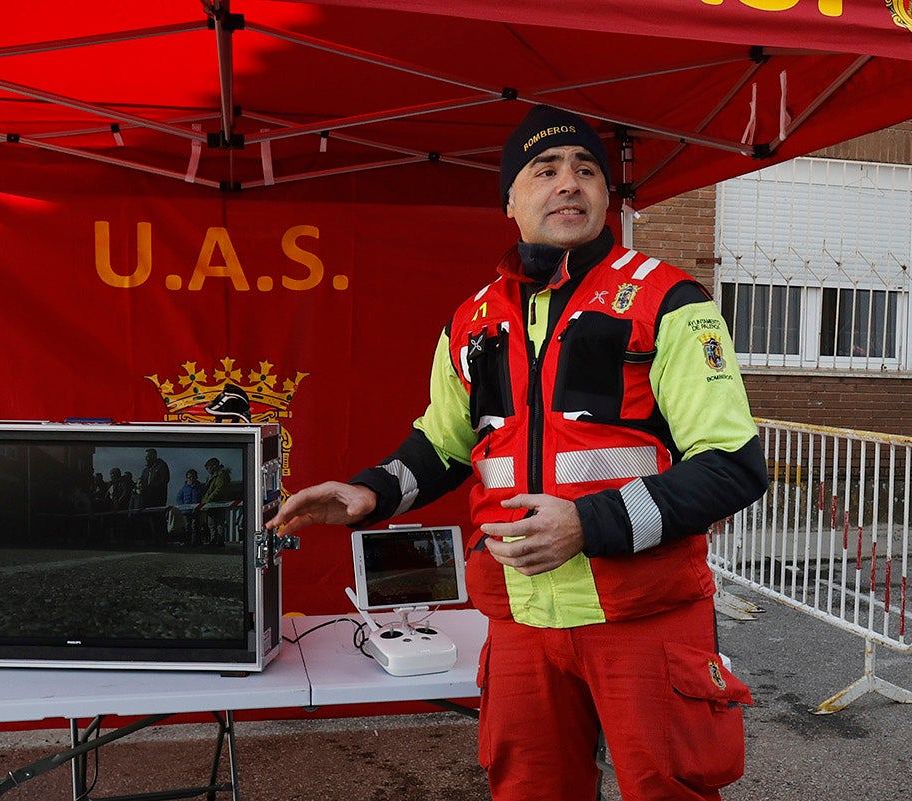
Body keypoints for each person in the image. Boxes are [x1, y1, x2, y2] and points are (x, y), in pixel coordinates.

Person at [265, 105, 769, 801]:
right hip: (521, 618)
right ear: (510, 200)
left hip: (643, 617)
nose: (570, 182)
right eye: (546, 169)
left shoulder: (671, 302)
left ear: (606, 195)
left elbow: (732, 467)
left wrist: (585, 525)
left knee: (670, 789)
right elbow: (442, 445)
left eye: (587, 169)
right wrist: (371, 492)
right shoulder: (471, 321)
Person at [175, 468, 206, 544]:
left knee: (196, 526)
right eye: (189, 477)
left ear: (196, 477)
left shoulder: (200, 487)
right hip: (186, 511)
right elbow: (179, 498)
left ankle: (196, 542)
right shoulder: (183, 488)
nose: (191, 479)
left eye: (193, 477)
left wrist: (201, 506)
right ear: (187, 478)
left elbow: (204, 497)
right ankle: (187, 542)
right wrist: (182, 507)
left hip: (196, 511)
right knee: (187, 527)